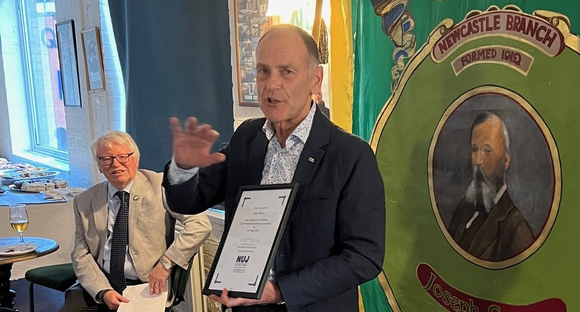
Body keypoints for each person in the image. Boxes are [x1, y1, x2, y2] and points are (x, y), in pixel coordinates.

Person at [163, 24, 385, 311]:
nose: (271, 85)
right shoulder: (246, 139)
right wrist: (183, 168)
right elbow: (189, 201)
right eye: (263, 71)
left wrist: (280, 291)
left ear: (315, 80)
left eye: (286, 72)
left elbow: (364, 257)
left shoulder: (351, 154)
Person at [62, 131, 211, 312]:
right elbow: (80, 254)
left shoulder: (163, 185)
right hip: (102, 281)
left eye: (122, 157)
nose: (115, 164)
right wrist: (102, 291)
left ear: (136, 160)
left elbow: (200, 225)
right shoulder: (84, 201)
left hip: (146, 284)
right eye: (106, 159)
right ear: (99, 166)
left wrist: (165, 264)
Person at [447, 111, 535, 262]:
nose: (478, 161)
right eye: (474, 149)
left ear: (506, 160)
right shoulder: (462, 211)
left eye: (487, 151)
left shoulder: (517, 231)